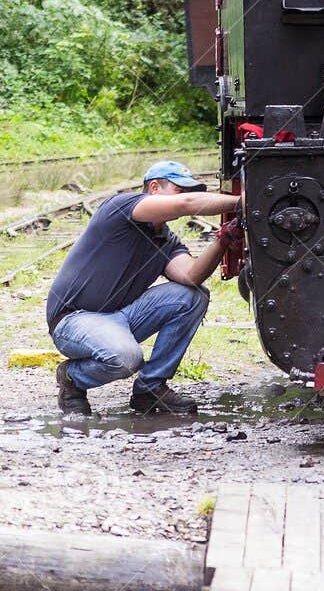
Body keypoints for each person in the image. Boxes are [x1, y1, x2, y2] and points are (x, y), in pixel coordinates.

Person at [47, 160, 241, 418]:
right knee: (126, 358)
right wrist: (242, 202)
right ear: (153, 188)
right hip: (74, 319)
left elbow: (192, 275)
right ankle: (72, 377)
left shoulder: (166, 240)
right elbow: (188, 205)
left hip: (119, 317)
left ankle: (150, 388)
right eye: (180, 190)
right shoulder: (120, 207)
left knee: (192, 296)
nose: (186, 198)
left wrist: (223, 239)